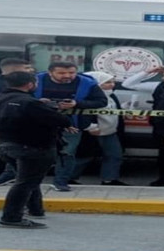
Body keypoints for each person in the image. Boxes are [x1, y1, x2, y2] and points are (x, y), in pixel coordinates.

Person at [0, 71, 73, 229]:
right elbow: (61, 120)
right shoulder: (30, 103)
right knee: (25, 182)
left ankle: (35, 209)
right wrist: (49, 107)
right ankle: (11, 218)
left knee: (29, 178)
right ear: (30, 85)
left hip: (3, 145)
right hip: (32, 147)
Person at [33, 62, 108, 192]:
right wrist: (38, 103)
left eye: (72, 73)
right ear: (50, 72)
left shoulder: (87, 83)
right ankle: (29, 181)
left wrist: (77, 103)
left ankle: (61, 182)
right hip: (39, 123)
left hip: (72, 125)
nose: (67, 76)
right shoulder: (35, 80)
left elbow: (101, 101)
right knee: (34, 153)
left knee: (67, 153)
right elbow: (21, 96)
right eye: (61, 73)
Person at [75, 71, 126, 186]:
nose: (112, 84)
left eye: (113, 82)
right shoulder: (91, 96)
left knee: (114, 155)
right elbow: (84, 113)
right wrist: (91, 127)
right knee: (84, 157)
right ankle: (68, 178)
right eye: (107, 82)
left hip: (109, 131)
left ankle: (109, 179)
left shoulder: (111, 95)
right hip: (93, 132)